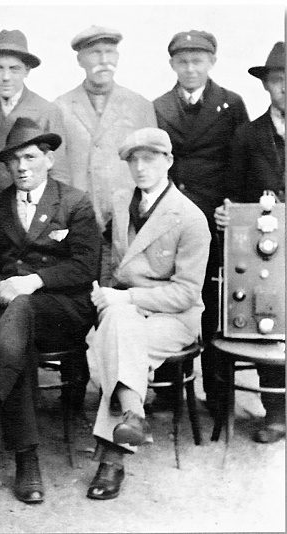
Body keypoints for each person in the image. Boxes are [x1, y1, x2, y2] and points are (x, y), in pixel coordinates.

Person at [0, 118, 101, 504]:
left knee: (20, 313)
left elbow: (84, 267)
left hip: (63, 309)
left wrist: (32, 282)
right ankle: (26, 460)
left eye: (30, 157)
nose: (22, 167)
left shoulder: (74, 202)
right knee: (18, 337)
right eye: (14, 161)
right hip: (10, 311)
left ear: (49, 159)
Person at [85, 127, 210, 500]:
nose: (140, 167)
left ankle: (114, 456)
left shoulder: (190, 218)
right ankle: (132, 415)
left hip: (174, 318)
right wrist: (104, 292)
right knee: (120, 327)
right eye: (133, 160)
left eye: (149, 159)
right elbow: (111, 260)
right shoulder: (122, 201)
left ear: (168, 161)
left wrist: (126, 299)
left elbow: (186, 293)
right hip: (125, 311)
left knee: (119, 336)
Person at [153, 30, 249, 416]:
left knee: (214, 304)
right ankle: (168, 391)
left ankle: (219, 393)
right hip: (172, 219)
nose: (190, 68)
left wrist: (232, 207)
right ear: (172, 64)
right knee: (168, 296)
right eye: (183, 61)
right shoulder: (158, 106)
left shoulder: (231, 104)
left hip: (214, 219)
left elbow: (241, 161)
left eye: (198, 61)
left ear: (211, 62)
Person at [214, 42, 285, 443]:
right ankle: (276, 412)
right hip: (267, 247)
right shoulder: (248, 135)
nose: (285, 87)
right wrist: (227, 214)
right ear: (266, 85)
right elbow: (233, 194)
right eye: (278, 80)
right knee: (267, 315)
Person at [55, 25, 157, 230]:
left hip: (129, 217)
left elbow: (155, 167)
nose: (104, 61)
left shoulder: (140, 105)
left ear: (117, 57)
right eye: (95, 53)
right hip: (79, 218)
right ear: (80, 60)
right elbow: (57, 171)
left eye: (109, 52)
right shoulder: (61, 107)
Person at [0, 29, 69, 197]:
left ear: (26, 71)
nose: (6, 77)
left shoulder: (47, 111)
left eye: (14, 69)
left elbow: (59, 172)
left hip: (31, 203)